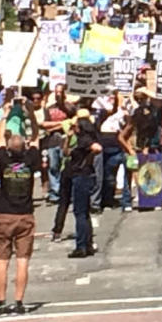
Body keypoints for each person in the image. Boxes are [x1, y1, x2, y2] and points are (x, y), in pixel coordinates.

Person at [0, 115, 39, 316]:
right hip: (25, 215)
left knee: (2, 261)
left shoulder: (3, 160)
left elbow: (0, 139)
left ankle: (1, 302)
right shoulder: (30, 159)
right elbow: (36, 136)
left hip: (4, 215)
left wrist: (5, 115)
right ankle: (19, 301)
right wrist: (30, 114)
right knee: (22, 260)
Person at [68, 110, 102, 258]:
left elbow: (97, 148)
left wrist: (90, 154)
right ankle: (87, 244)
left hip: (82, 176)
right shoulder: (77, 139)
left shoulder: (84, 140)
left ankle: (81, 245)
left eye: (75, 126)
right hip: (82, 175)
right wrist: (68, 138)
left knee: (80, 212)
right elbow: (66, 152)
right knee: (84, 212)